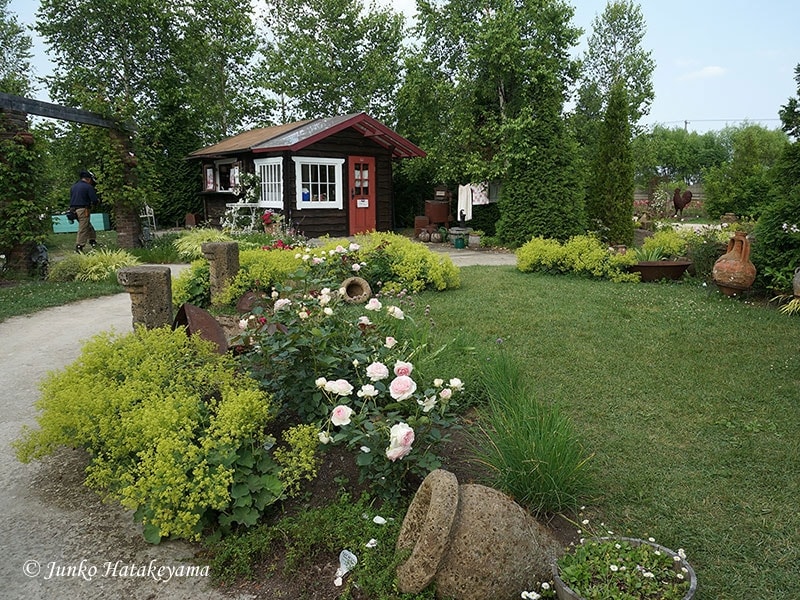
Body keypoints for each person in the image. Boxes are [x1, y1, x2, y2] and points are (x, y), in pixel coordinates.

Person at [69, 170, 100, 253]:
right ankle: (79, 246)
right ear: (89, 179)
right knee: (83, 228)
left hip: (73, 210)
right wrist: (97, 201)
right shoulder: (88, 187)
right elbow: (94, 199)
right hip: (83, 209)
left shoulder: (74, 186)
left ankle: (92, 240)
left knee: (87, 225)